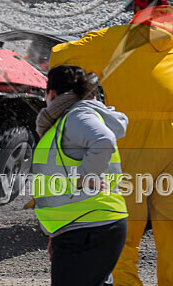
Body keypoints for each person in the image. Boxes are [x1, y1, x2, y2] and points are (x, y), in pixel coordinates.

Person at [49, 0, 173, 286]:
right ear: (167, 6)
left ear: (134, 6)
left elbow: (59, 55)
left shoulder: (115, 40)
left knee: (122, 229)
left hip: (132, 138)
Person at [33, 65, 129, 286]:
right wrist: (55, 234)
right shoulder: (70, 119)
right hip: (84, 228)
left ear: (52, 94)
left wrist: (87, 177)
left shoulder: (77, 114)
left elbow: (104, 141)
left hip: (88, 229)